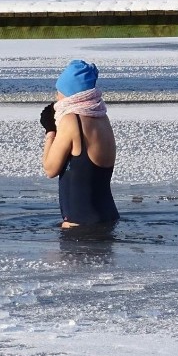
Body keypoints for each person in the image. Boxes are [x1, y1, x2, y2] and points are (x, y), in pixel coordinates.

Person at [40, 59, 119, 229]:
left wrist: (50, 131)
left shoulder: (72, 120)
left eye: (59, 92)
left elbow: (50, 168)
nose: (56, 97)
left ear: (70, 94)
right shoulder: (102, 118)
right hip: (107, 217)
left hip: (80, 225)